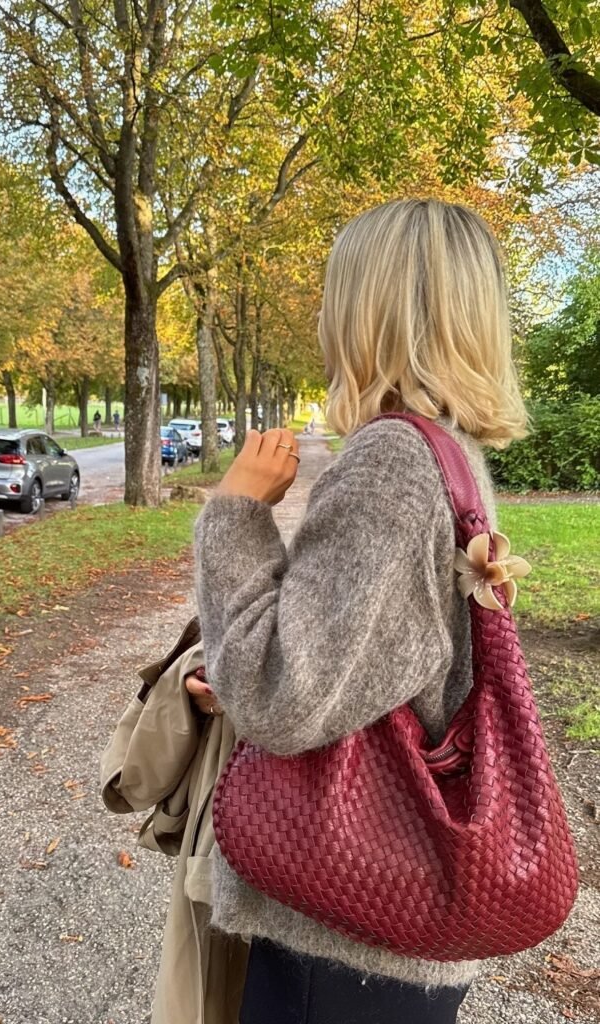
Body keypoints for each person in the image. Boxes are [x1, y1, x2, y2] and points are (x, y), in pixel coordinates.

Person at [188, 199, 528, 1024]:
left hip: (343, 936)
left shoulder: (389, 461)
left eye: (332, 294)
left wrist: (235, 512)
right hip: (393, 930)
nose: (321, 319)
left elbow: (281, 696)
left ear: (367, 308)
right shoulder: (446, 452)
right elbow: (373, 657)